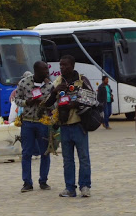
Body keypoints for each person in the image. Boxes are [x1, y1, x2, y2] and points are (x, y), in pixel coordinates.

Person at [50, 55, 94, 197]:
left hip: (79, 125)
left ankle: (85, 186)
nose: (62, 68)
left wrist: (74, 104)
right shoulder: (58, 81)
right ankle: (69, 188)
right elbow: (48, 102)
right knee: (67, 160)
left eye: (65, 65)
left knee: (84, 158)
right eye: (61, 65)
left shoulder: (82, 80)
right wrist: (55, 91)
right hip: (64, 126)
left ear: (73, 66)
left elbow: (92, 99)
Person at [14, 61, 54, 192]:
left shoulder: (50, 85)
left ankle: (43, 181)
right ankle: (27, 183)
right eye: (45, 70)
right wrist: (27, 102)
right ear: (37, 71)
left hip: (43, 122)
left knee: (45, 152)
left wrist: (45, 103)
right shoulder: (24, 83)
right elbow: (17, 99)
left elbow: (54, 104)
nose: (47, 72)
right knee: (26, 153)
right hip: (27, 122)